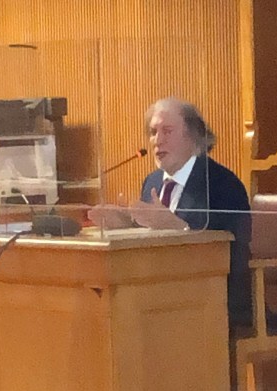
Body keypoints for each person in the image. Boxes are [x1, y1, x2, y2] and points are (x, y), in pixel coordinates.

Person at [89, 97, 253, 330]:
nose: (157, 140)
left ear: (193, 136)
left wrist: (178, 226)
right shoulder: (153, 181)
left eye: (167, 131)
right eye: (153, 132)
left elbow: (230, 248)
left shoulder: (221, 183)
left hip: (216, 301)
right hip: (160, 295)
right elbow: (154, 240)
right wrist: (127, 222)